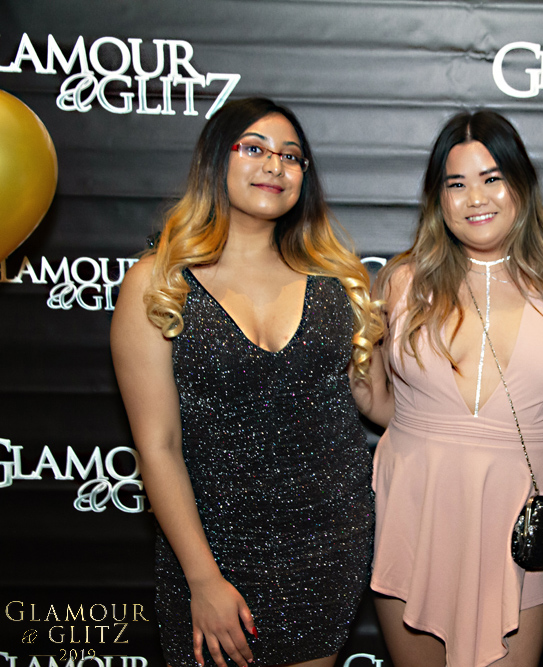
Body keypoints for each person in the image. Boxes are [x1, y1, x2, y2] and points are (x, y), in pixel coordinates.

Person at [110, 97, 383, 667]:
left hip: (328, 547)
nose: (275, 165)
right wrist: (202, 579)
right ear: (216, 160)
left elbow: (377, 402)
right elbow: (158, 447)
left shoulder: (336, 281)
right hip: (208, 550)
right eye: (254, 148)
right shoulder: (158, 284)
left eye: (291, 156)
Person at [351, 109, 543, 667]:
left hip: (518, 518)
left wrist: (539, 431)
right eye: (456, 184)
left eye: (492, 178)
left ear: (522, 185)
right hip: (415, 510)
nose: (475, 198)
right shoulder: (401, 281)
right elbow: (386, 405)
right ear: (437, 199)